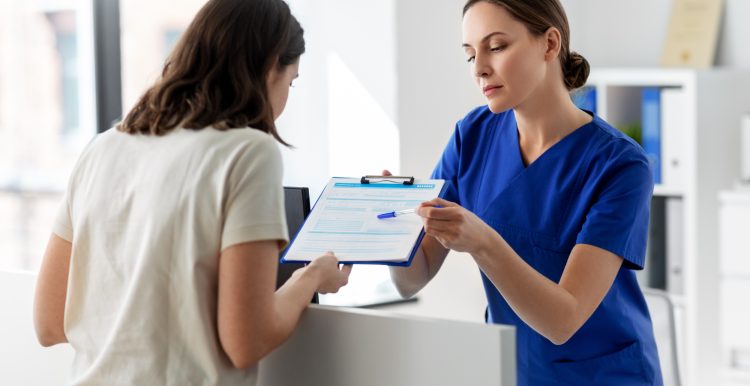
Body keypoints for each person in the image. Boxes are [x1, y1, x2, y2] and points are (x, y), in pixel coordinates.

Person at [32, 0, 351, 385]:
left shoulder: (100, 149)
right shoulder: (249, 151)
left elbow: (49, 322)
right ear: (270, 68)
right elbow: (245, 341)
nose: (286, 97)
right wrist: (312, 277)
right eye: (291, 81)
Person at [387, 0, 662, 385]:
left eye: (496, 47)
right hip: (513, 370)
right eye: (470, 55)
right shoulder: (472, 136)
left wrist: (484, 242)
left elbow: (563, 320)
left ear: (550, 44)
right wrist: (387, 231)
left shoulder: (620, 165)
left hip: (604, 375)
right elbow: (412, 280)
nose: (480, 68)